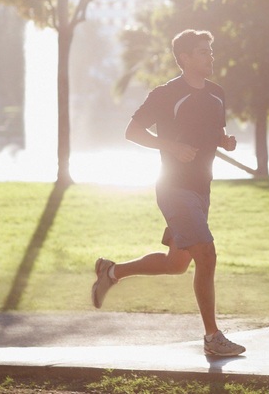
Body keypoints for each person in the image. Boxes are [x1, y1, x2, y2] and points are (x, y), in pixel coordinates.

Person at [91, 29, 245, 357]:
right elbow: (133, 131)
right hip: (175, 189)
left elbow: (212, 131)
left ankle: (111, 272)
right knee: (207, 255)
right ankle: (212, 338)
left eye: (210, 51)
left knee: (176, 264)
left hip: (201, 190)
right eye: (203, 52)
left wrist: (224, 141)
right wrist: (170, 145)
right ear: (185, 58)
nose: (210, 57)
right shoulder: (166, 94)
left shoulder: (217, 93)